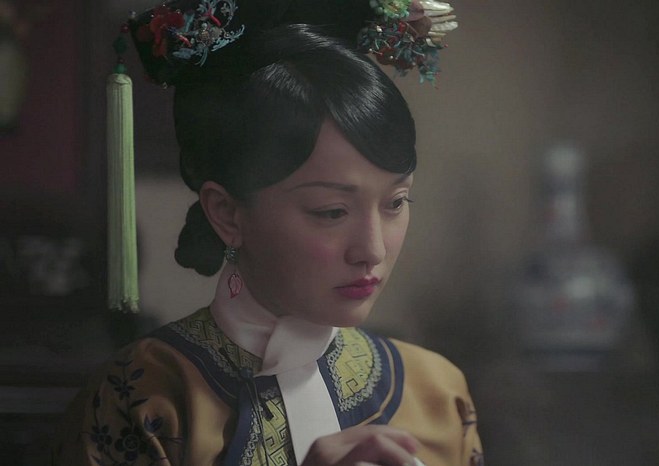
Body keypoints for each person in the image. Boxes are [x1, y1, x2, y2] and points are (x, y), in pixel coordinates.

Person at [51, 1, 482, 465]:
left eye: (395, 203)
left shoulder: (438, 392)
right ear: (228, 214)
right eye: (331, 211)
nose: (372, 250)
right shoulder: (142, 394)